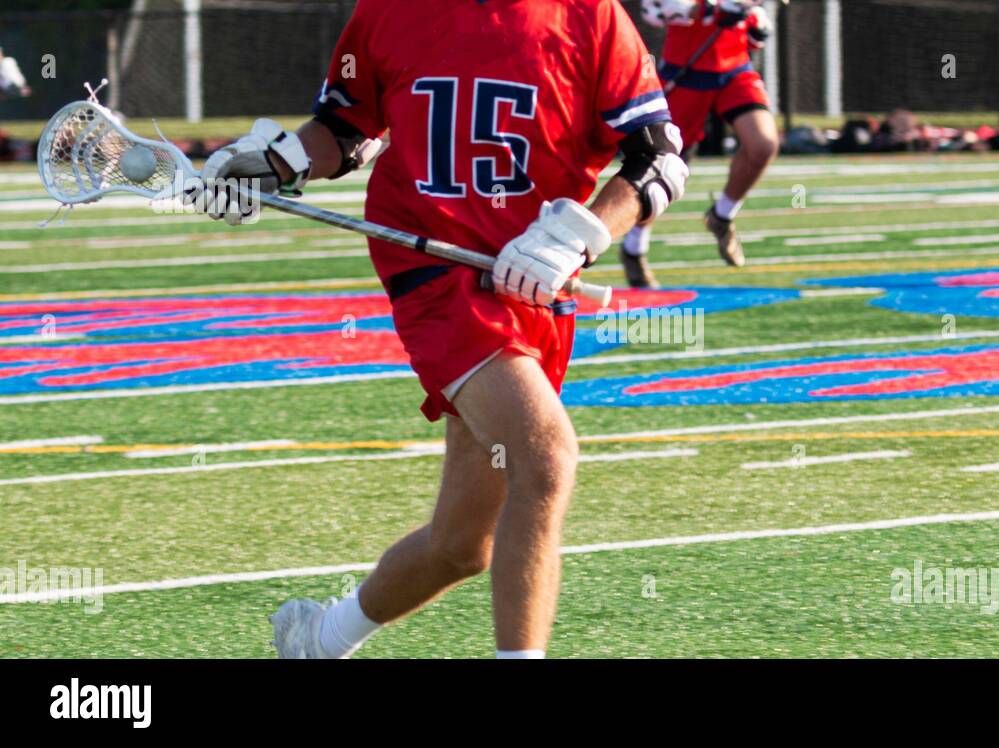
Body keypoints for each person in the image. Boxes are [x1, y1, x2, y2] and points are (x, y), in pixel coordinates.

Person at [186, 0, 687, 658]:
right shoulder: (390, 11)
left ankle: (319, 639)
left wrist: (580, 237)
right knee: (545, 455)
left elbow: (656, 161)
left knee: (461, 546)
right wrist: (269, 165)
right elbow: (346, 130)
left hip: (536, 283)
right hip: (435, 271)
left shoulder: (590, 16)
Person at [624, 0, 779, 288]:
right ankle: (634, 247)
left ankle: (722, 216)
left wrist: (754, 21)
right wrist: (710, 10)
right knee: (661, 167)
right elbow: (655, 10)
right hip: (686, 72)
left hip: (734, 69)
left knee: (763, 144)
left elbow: (749, 18)